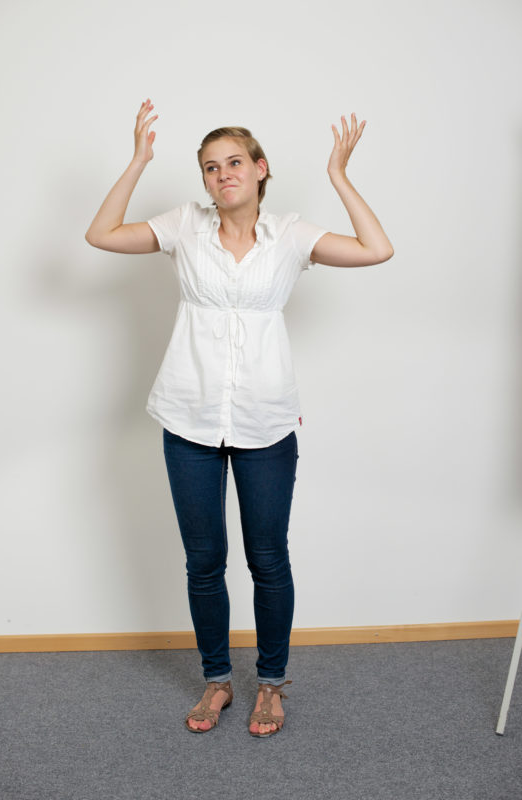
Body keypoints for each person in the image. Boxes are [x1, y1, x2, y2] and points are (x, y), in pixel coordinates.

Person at [85, 99, 394, 738]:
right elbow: (102, 235)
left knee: (267, 557)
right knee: (204, 560)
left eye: (233, 162)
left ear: (259, 169)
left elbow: (377, 249)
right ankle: (219, 680)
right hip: (188, 418)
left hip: (266, 422)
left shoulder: (292, 236)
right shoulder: (184, 226)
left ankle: (272, 685)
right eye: (208, 167)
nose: (221, 174)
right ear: (203, 181)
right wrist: (139, 161)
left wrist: (340, 175)